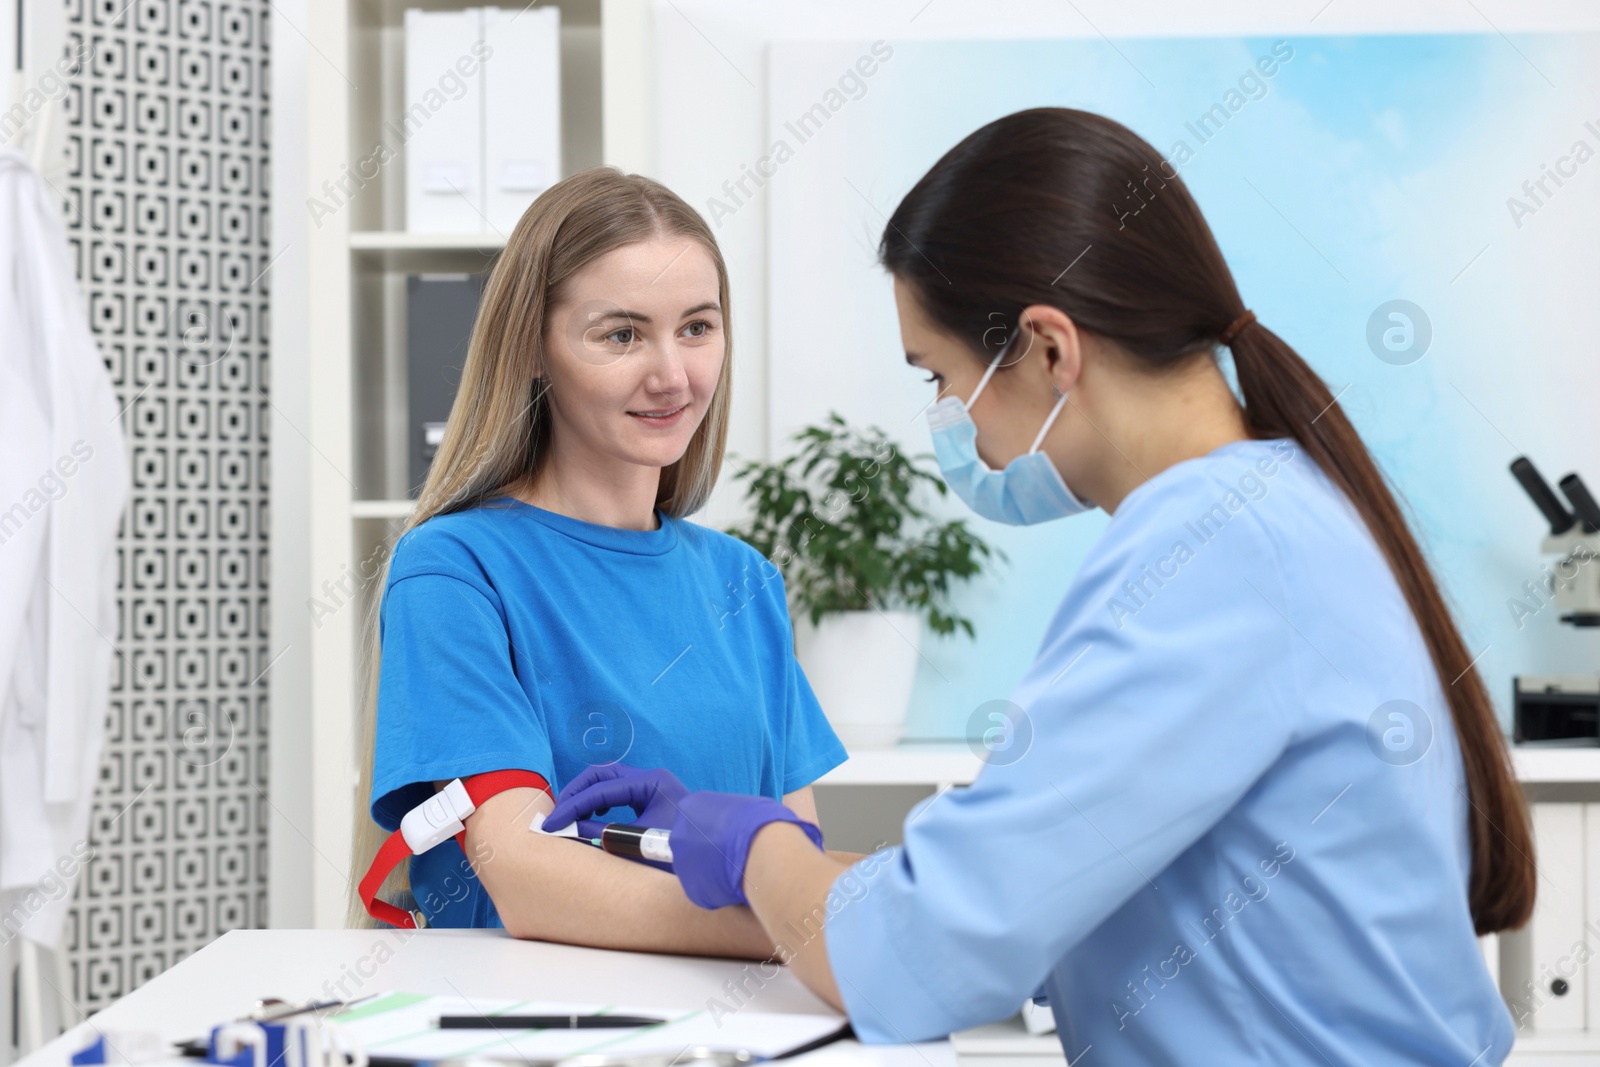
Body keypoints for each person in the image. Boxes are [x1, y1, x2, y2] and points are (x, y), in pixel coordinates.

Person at [543, 108, 1535, 1063]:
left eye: (937, 376)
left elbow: (915, 953)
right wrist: (747, 843)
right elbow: (1000, 882)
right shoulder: (1272, 504)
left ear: (1050, 347)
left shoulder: (1208, 555)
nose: (945, 418)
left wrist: (751, 842)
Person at [347, 168, 848, 954]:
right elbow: (525, 876)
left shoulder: (743, 580)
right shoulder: (453, 570)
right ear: (535, 350)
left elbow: (799, 852)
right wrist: (798, 921)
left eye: (697, 327)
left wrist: (800, 902)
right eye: (621, 334)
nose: (672, 376)